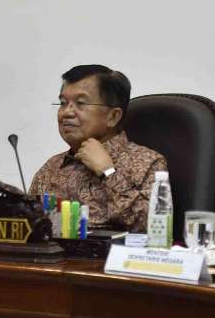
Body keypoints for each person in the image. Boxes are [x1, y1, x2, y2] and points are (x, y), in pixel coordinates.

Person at [29, 65, 167, 232]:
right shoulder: (51, 168)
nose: (66, 113)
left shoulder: (147, 163)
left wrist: (108, 172)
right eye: (63, 103)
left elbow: (154, 227)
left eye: (80, 103)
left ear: (112, 116)